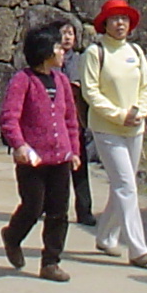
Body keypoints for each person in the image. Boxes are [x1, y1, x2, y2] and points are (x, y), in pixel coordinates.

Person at [0, 22, 83, 282]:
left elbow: (70, 119)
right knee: (33, 206)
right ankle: (12, 236)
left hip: (60, 159)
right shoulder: (23, 80)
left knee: (59, 210)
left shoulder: (61, 81)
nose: (63, 51)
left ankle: (51, 262)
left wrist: (74, 151)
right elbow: (9, 117)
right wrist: (19, 144)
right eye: (58, 46)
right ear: (45, 51)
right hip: (32, 160)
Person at [81, 0, 147, 268]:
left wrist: (140, 111)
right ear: (105, 23)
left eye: (124, 18)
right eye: (114, 19)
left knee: (122, 184)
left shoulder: (135, 52)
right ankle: (138, 248)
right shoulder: (95, 52)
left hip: (134, 128)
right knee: (126, 185)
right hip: (106, 129)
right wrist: (118, 115)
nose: (120, 23)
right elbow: (91, 92)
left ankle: (106, 236)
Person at [58, 20, 99, 227]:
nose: (67, 37)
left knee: (79, 168)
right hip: (55, 122)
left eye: (71, 34)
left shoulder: (82, 60)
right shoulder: (50, 60)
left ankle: (85, 210)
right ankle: (54, 209)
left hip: (77, 121)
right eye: (63, 33)